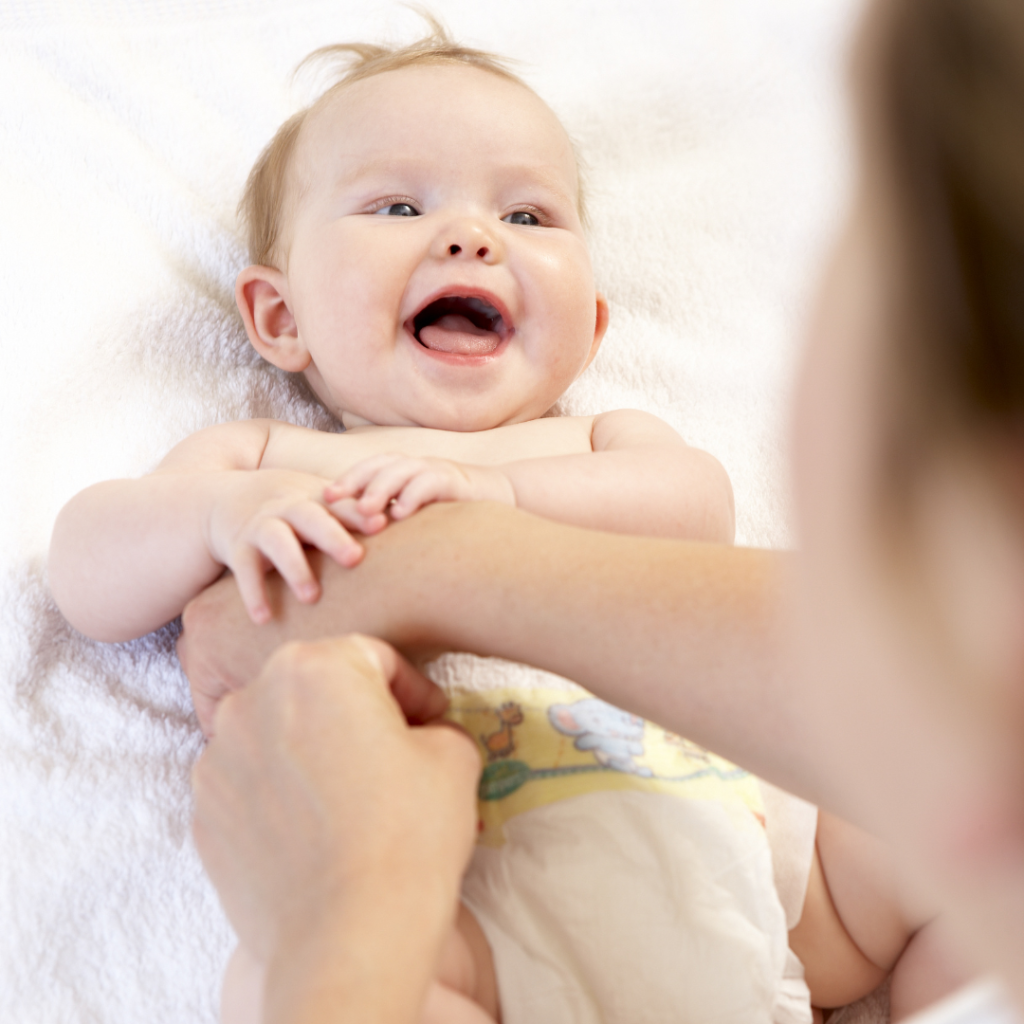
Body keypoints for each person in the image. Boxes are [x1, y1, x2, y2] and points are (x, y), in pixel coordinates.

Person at [178, 0, 1024, 1021]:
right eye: (396, 209)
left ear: (591, 326)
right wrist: (220, 516)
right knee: (263, 979)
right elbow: (94, 566)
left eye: (528, 217)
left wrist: (499, 502)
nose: (470, 238)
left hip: (733, 864)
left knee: (905, 860)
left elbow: (694, 506)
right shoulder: (270, 462)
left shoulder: (587, 440)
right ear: (277, 315)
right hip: (476, 919)